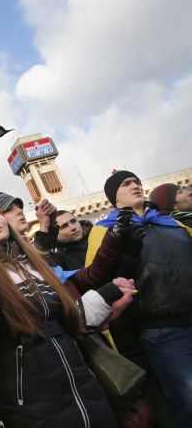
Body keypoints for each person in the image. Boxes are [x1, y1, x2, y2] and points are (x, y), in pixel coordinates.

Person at [0, 199, 135, 427]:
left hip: (83, 389)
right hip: (33, 405)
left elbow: (68, 321)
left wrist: (109, 293)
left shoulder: (34, 265)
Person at [97, 171, 192, 427]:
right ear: (113, 198)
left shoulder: (172, 223)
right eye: (126, 184)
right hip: (164, 331)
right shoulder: (103, 232)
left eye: (137, 182)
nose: (134, 186)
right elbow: (100, 280)